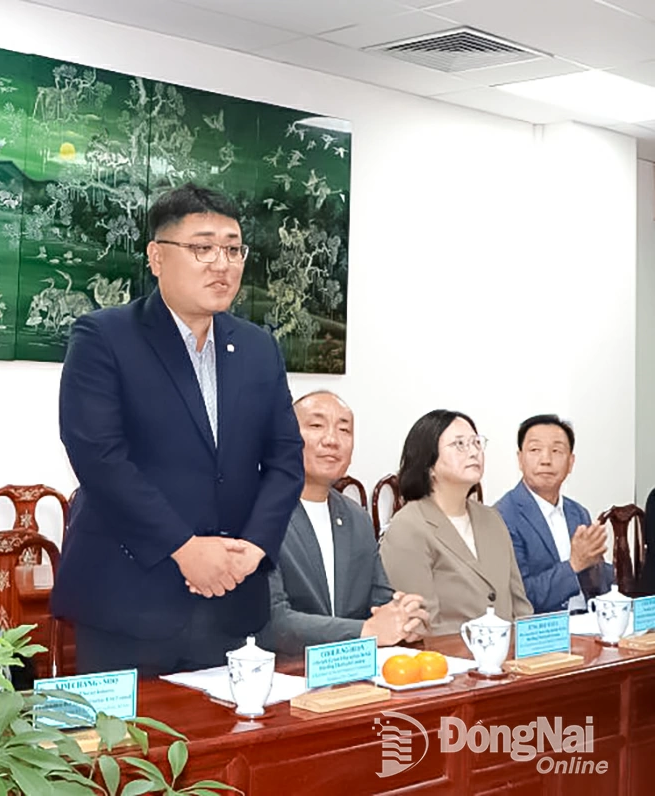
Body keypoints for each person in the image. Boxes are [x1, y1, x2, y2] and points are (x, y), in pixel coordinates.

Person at [52, 183, 305, 676]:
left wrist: (253, 547)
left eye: (233, 248)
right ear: (156, 257)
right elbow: (99, 456)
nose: (222, 263)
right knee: (126, 751)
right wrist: (183, 548)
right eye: (202, 247)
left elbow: (286, 458)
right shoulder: (104, 337)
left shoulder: (258, 348)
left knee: (240, 748)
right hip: (130, 602)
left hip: (236, 601)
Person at [261, 391, 429, 653]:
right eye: (316, 425)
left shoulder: (356, 517)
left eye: (344, 430)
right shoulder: (258, 511)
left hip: (350, 674)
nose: (332, 440)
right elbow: (271, 620)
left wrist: (405, 618)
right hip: (281, 673)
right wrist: (367, 631)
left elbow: (380, 600)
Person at [380, 410, 532, 635]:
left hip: (509, 660)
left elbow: (519, 604)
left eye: (476, 442)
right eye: (459, 444)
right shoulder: (408, 527)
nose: (473, 452)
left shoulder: (492, 518)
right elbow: (421, 625)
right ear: (429, 463)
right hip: (449, 662)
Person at [495, 414, 612, 613]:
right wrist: (575, 564)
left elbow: (599, 586)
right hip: (543, 633)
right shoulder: (503, 515)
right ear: (520, 459)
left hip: (588, 623)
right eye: (535, 450)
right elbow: (519, 598)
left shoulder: (577, 512)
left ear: (571, 462)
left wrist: (598, 566)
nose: (546, 460)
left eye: (557, 451)